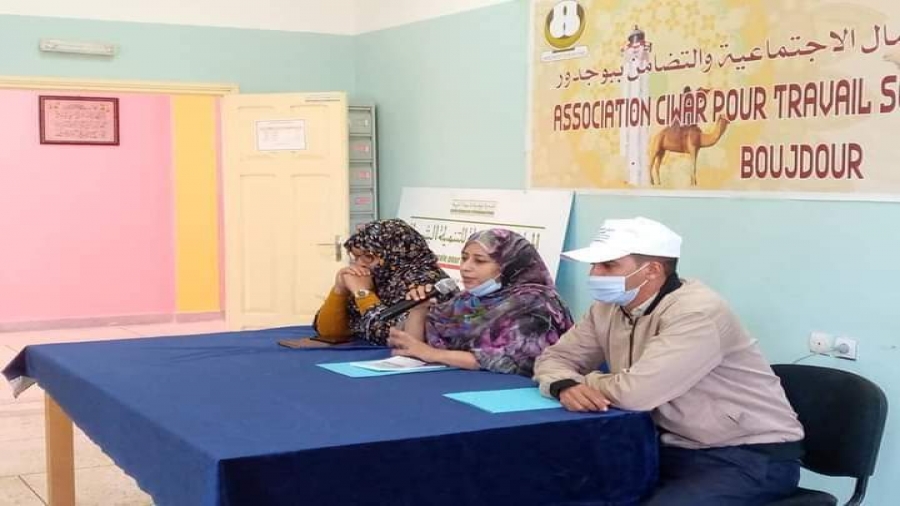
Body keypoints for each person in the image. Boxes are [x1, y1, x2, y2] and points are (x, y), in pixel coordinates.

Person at [533, 217, 804, 505]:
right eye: (594, 265)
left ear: (652, 270)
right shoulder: (607, 308)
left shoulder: (697, 313)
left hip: (747, 454)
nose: (595, 274)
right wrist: (564, 385)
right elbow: (555, 358)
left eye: (608, 265)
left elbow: (636, 394)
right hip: (667, 443)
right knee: (561, 483)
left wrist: (584, 381)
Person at [387, 229, 574, 376]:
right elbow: (412, 348)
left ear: (509, 265)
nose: (465, 267)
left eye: (479, 261)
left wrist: (431, 354)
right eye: (464, 258)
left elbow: (507, 359)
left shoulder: (536, 302)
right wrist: (419, 310)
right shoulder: (467, 300)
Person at [313, 219, 448, 345]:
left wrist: (363, 294)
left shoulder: (424, 282)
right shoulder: (377, 277)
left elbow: (395, 336)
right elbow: (328, 332)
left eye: (368, 257)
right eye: (355, 256)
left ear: (394, 256)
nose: (359, 264)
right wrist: (339, 289)